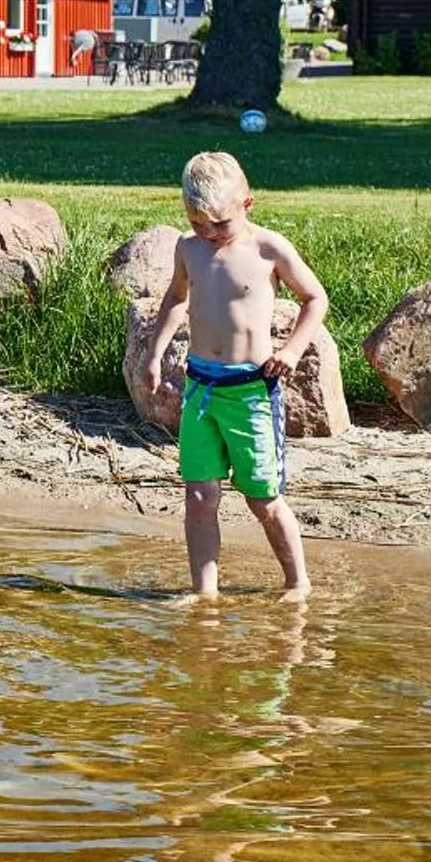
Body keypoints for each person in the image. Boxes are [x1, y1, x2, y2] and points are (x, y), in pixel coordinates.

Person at [142, 151, 326, 603]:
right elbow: (176, 299)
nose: (209, 233)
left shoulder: (269, 248)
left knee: (262, 498)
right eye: (197, 222)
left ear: (248, 204)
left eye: (219, 224)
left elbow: (315, 298)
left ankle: (297, 583)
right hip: (200, 389)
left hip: (250, 392)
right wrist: (154, 353)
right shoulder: (188, 248)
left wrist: (292, 350)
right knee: (200, 497)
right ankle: (205, 593)